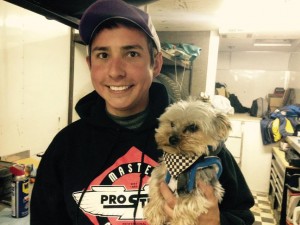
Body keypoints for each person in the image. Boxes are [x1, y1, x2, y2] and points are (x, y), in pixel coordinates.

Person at [30, 0, 255, 224]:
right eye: (103, 55)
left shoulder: (205, 148)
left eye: (132, 54)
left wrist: (216, 223)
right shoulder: (66, 146)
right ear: (90, 64)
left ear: (156, 64)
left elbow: (243, 216)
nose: (116, 72)